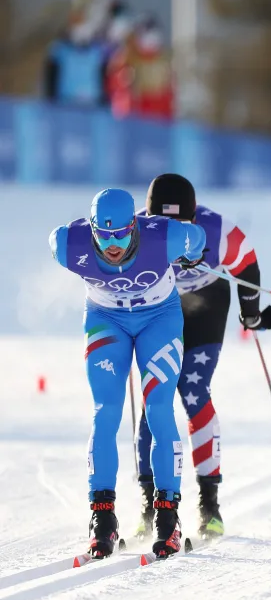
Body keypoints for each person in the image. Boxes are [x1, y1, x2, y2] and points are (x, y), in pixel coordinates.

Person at [49, 188, 205, 559]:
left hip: (159, 320)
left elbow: (196, 239)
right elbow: (53, 241)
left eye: (120, 233)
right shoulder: (68, 245)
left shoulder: (165, 236)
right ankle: (102, 519)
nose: (113, 243)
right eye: (104, 236)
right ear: (91, 231)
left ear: (134, 225)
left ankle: (167, 517)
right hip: (106, 322)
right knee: (106, 412)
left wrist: (193, 257)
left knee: (159, 408)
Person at [130, 173, 271, 541]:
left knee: (194, 394)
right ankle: (150, 503)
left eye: (180, 224)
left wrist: (252, 315)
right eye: (161, 225)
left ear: (194, 216)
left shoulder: (218, 231)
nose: (171, 232)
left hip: (205, 310)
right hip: (158, 312)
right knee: (154, 399)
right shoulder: (133, 228)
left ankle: (209, 504)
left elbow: (247, 267)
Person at [44, 13, 110, 108]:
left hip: (92, 103)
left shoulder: (98, 52)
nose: (82, 31)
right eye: (78, 27)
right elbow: (50, 75)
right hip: (65, 102)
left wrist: (104, 100)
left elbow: (104, 77)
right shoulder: (60, 50)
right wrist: (50, 98)